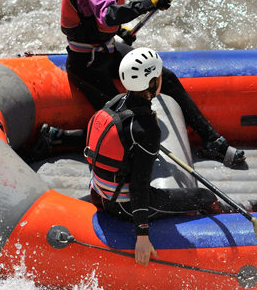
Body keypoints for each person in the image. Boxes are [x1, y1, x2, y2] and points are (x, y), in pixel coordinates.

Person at [34, 0, 243, 167]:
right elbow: (108, 15)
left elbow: (97, 19)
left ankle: (211, 140)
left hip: (106, 50)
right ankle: (57, 137)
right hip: (88, 64)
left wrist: (120, 31)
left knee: (167, 77)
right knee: (123, 124)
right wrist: (147, 3)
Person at [85, 49, 232, 265]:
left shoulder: (115, 102)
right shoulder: (147, 129)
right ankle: (230, 217)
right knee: (204, 197)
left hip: (100, 192)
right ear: (153, 82)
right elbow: (139, 185)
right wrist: (142, 236)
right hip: (124, 206)